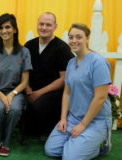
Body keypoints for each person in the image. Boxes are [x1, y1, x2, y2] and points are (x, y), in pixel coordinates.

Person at [45, 23, 112, 160]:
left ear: (87, 38)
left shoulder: (98, 62)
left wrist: (83, 125)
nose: (74, 40)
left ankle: (94, 146)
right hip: (73, 117)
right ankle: (79, 144)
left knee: (69, 157)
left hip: (96, 120)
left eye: (78, 37)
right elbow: (66, 93)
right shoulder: (71, 63)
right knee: (51, 150)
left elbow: (100, 98)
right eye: (71, 37)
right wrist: (63, 118)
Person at [0, 13, 32, 156]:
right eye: (1, 28)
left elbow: (25, 82)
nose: (4, 31)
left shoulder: (24, 52)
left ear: (15, 30)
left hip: (15, 92)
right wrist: (1, 96)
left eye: (7, 27)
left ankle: (6, 142)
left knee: (15, 109)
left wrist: (11, 95)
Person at [24, 12, 74, 137]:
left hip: (52, 92)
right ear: (37, 25)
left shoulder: (62, 48)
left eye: (48, 25)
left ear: (55, 27)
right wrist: (27, 88)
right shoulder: (29, 45)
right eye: (41, 24)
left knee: (39, 105)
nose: (44, 27)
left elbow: (64, 79)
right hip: (31, 89)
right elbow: (23, 71)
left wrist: (38, 93)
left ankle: (49, 131)